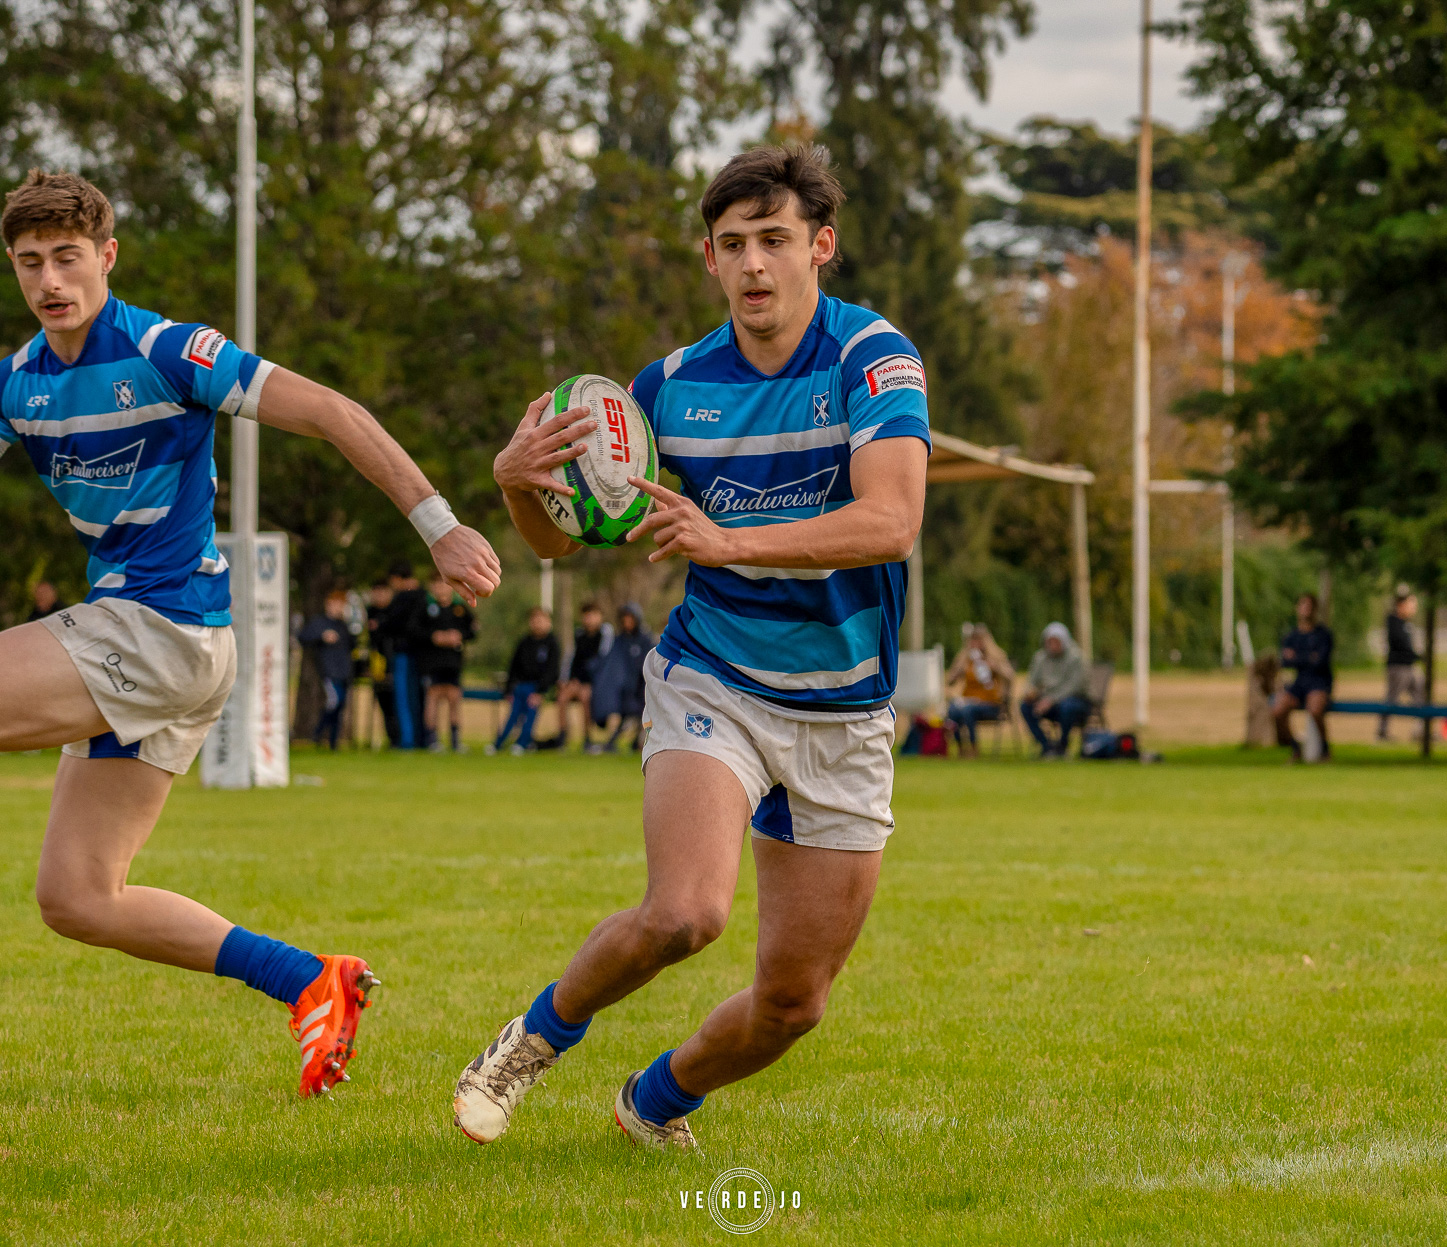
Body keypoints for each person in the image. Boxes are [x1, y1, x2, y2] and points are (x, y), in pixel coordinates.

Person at [0, 170, 501, 1090]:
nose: (49, 280)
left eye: (67, 257)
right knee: (78, 896)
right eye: (30, 262)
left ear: (107, 256)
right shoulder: (13, 385)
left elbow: (334, 413)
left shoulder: (167, 348)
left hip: (160, 627)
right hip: (167, 643)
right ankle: (309, 979)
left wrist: (440, 526)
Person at [455, 143, 928, 1150]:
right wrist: (515, 484)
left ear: (821, 246)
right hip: (714, 676)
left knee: (792, 1003)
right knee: (685, 912)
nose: (755, 263)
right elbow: (564, 541)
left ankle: (656, 1099)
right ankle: (528, 1042)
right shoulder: (666, 389)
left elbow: (892, 520)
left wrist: (731, 539)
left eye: (776, 240)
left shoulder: (872, 358)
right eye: (734, 243)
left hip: (845, 708)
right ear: (709, 258)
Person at [411, 573, 475, 754]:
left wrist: (459, 636)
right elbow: (414, 631)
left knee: (454, 698)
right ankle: (432, 740)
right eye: (437, 584)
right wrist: (434, 637)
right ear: (432, 587)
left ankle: (455, 741)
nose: (441, 588)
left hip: (453, 662)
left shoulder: (459, 608)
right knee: (433, 698)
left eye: (444, 584)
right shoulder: (425, 608)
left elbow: (472, 631)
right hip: (432, 663)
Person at [489, 607, 561, 755]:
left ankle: (522, 743)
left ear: (548, 622)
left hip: (536, 688)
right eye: (534, 620)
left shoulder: (552, 643)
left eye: (541, 620)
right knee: (513, 716)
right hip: (520, 686)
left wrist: (541, 691)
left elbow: (552, 670)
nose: (537, 623)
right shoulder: (524, 642)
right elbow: (513, 666)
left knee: (530, 716)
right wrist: (509, 689)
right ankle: (498, 744)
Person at [1272, 593, 1334, 762]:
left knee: (1315, 709)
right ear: (1297, 608)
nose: (1306, 609)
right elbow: (1285, 661)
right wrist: (1308, 657)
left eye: (1310, 606)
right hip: (1300, 682)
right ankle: (1294, 748)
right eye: (1303, 605)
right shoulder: (1291, 636)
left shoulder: (1323, 635)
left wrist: (1297, 657)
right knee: (1278, 710)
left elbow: (1320, 662)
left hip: (1319, 682)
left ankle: (1325, 749)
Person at [588, 603, 653, 754]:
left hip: (643, 688)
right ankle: (613, 741)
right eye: (624, 619)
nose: (627, 622)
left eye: (630, 619)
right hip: (624, 689)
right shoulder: (619, 641)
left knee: (640, 711)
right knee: (624, 710)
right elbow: (611, 664)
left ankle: (638, 741)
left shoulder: (646, 640)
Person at [1020, 622, 1089, 758]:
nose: (1052, 645)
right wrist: (1029, 693)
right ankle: (1047, 746)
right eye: (1049, 642)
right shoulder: (1040, 658)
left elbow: (1074, 686)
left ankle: (1062, 745)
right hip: (1047, 702)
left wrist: (1051, 700)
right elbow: (1031, 681)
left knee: (1067, 706)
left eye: (1056, 642)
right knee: (1025, 707)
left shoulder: (1076, 658)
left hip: (1076, 701)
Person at [298, 588, 355, 751]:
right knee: (334, 702)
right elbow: (303, 637)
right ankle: (318, 732)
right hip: (329, 671)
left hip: (344, 671)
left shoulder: (343, 625)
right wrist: (322, 636)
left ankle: (333, 742)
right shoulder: (319, 622)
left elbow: (352, 645)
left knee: (340, 704)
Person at [944, 625, 1013, 758]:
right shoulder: (966, 659)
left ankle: (974, 747)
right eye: (973, 641)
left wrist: (996, 667)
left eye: (978, 641)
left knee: (967, 710)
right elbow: (950, 681)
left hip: (991, 703)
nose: (975, 644)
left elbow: (1010, 677)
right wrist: (959, 670)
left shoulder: (996, 657)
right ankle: (961, 748)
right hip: (969, 700)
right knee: (953, 710)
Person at [381, 561, 427, 747]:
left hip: (404, 655)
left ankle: (407, 740)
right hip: (422, 657)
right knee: (417, 698)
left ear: (396, 579)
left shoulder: (403, 599)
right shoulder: (425, 596)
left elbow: (391, 624)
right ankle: (420, 739)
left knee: (404, 699)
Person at [556, 600, 612, 750]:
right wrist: (566, 679)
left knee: (585, 698)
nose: (589, 619)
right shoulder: (579, 635)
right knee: (562, 698)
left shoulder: (605, 635)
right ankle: (562, 736)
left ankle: (587, 737)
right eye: (587, 616)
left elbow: (603, 662)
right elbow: (571, 660)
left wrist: (590, 682)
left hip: (594, 682)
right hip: (576, 681)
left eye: (593, 615)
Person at [1378, 589, 1421, 741]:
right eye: (1411, 604)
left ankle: (1420, 731)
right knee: (1392, 699)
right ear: (1401, 605)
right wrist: (1416, 655)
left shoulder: (1406, 623)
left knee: (1420, 696)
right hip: (1398, 667)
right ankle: (1382, 732)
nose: (1413, 608)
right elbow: (1400, 643)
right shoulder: (1393, 621)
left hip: (1410, 666)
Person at [364, 578, 399, 743]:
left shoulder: (395, 612)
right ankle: (392, 739)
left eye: (382, 591)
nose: (379, 595)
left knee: (397, 704)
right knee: (384, 703)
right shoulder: (370, 612)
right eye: (376, 592)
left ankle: (402, 738)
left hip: (395, 664)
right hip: (377, 664)